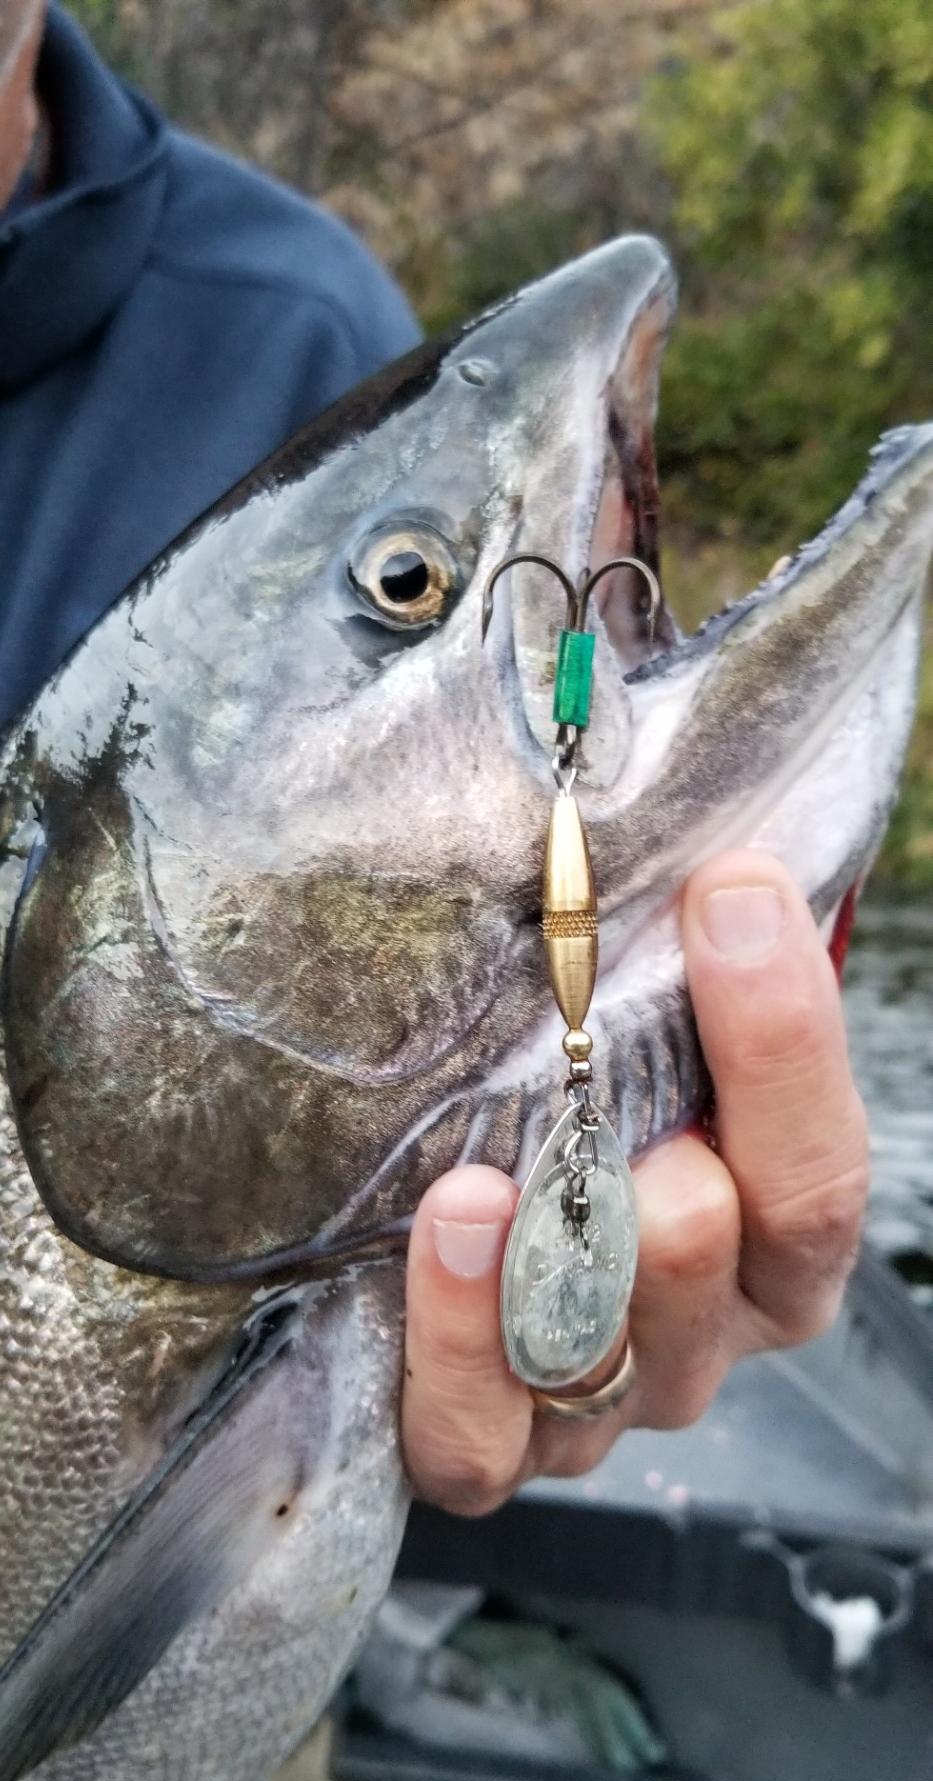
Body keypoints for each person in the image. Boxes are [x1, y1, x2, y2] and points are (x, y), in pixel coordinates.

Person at [0, 0, 869, 1516]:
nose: (405, 585)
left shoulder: (292, 325)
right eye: (401, 586)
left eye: (401, 580)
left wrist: (579, 1300)